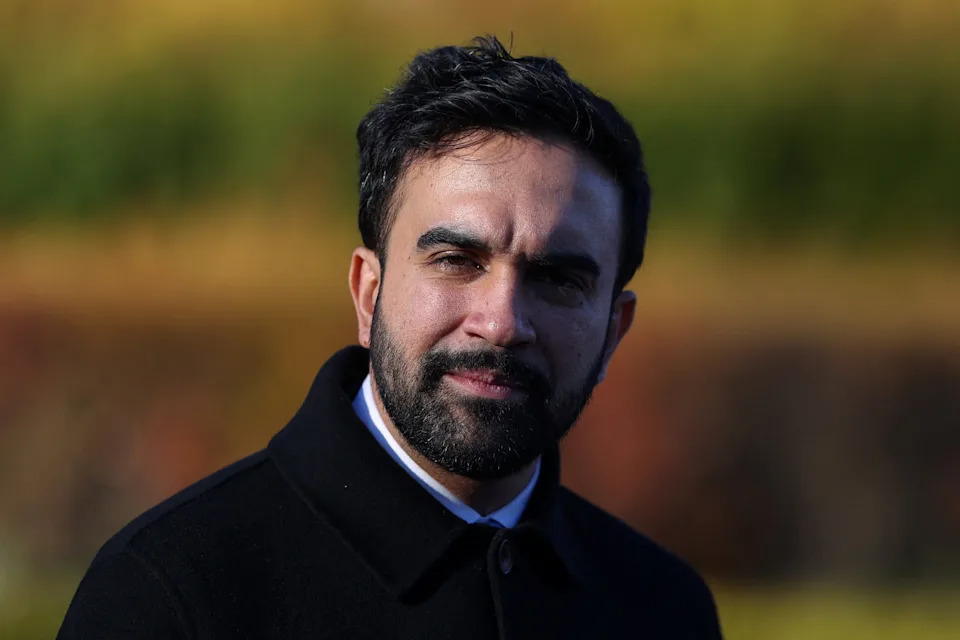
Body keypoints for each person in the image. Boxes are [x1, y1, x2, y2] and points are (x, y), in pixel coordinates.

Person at [58, 36, 722, 639]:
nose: (500, 322)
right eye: (456, 261)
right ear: (368, 291)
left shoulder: (663, 610)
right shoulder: (170, 597)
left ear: (613, 330)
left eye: (556, 279)